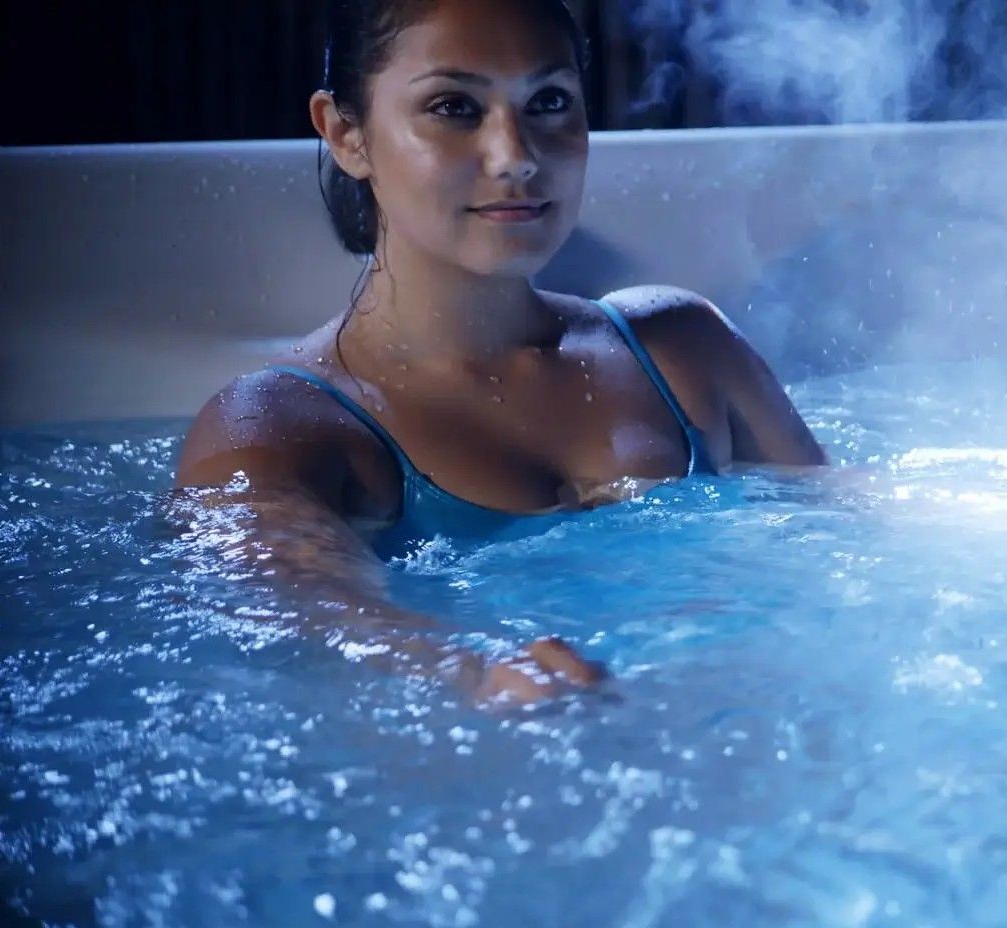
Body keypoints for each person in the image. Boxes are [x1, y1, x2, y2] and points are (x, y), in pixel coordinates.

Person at [171, 0, 825, 705]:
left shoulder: (680, 350)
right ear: (345, 133)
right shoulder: (280, 428)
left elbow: (848, 528)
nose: (516, 156)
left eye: (549, 101)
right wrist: (472, 672)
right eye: (453, 107)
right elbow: (304, 609)